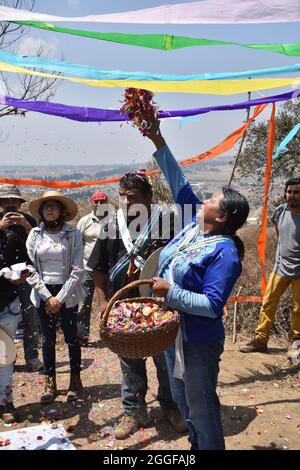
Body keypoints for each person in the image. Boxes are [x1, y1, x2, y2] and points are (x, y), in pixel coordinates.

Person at [142, 118, 249, 450]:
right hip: (175, 333)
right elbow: (179, 182)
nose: (205, 199)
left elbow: (212, 305)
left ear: (222, 217)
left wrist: (169, 292)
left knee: (202, 409)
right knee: (184, 403)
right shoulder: (192, 227)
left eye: (213, 199)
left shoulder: (225, 252)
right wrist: (157, 138)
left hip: (198, 342)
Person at [88, 171, 187, 439]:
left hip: (157, 306)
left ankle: (171, 407)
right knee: (130, 362)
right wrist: (103, 300)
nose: (126, 202)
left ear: (149, 197)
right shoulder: (112, 224)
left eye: (132, 197)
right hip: (123, 307)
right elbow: (98, 267)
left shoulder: (165, 223)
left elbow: (179, 262)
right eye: (122, 197)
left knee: (165, 360)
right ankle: (134, 411)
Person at [26, 190, 84, 404]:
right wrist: (46, 296)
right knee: (48, 339)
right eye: (45, 206)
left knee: (71, 338)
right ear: (41, 212)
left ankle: (75, 380)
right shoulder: (34, 235)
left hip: (67, 292)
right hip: (43, 292)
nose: (49, 209)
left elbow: (78, 269)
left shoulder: (73, 234)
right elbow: (30, 268)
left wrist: (59, 297)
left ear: (61, 211)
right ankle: (50, 382)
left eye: (54, 205)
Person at [240, 178, 300, 358]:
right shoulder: (280, 212)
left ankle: (295, 343)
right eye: (289, 192)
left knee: (298, 309)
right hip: (280, 267)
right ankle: (260, 340)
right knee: (267, 303)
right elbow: (280, 234)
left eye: (297, 192)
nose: (292, 196)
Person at [0, 184, 43, 372]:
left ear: (19, 203)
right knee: (4, 319)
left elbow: (40, 246)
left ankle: (32, 357)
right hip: (3, 278)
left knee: (30, 316)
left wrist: (27, 228)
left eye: (13, 201)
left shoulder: (29, 220)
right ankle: (7, 358)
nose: (10, 205)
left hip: (27, 274)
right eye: (6, 201)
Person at [0, 226, 30, 423]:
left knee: (4, 357)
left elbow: (26, 263)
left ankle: (5, 402)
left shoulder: (10, 238)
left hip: (6, 307)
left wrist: (20, 275)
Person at [77, 192, 108, 346]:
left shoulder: (114, 221)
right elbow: (77, 243)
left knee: (109, 302)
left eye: (102, 201)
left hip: (107, 270)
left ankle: (111, 334)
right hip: (88, 268)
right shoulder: (84, 221)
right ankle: (82, 336)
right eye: (96, 202)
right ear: (91, 203)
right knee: (84, 303)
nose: (99, 204)